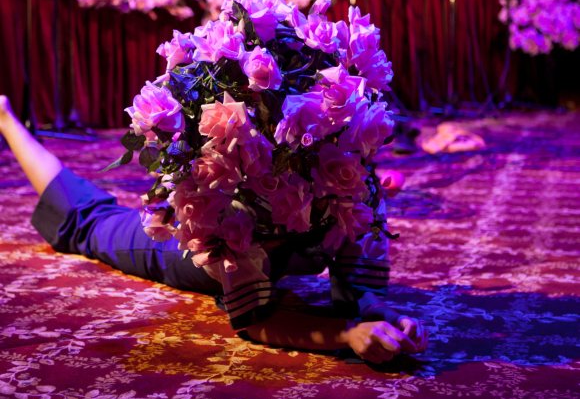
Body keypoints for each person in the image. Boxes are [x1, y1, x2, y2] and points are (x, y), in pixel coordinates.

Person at [0, 94, 427, 364]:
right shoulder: (248, 200)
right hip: (190, 253)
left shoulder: (353, 181)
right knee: (89, 224)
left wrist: (379, 314)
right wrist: (346, 335)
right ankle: (6, 120)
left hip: (238, 232)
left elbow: (354, 288)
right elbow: (256, 323)